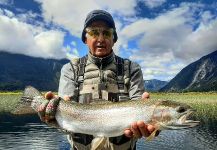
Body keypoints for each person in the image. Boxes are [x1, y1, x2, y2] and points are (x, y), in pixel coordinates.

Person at [43, 9, 158, 150]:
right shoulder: (70, 69)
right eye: (94, 33)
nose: (101, 39)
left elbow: (141, 109)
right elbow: (65, 122)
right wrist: (53, 116)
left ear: (114, 39)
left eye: (107, 33)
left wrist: (153, 125)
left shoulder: (132, 68)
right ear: (85, 38)